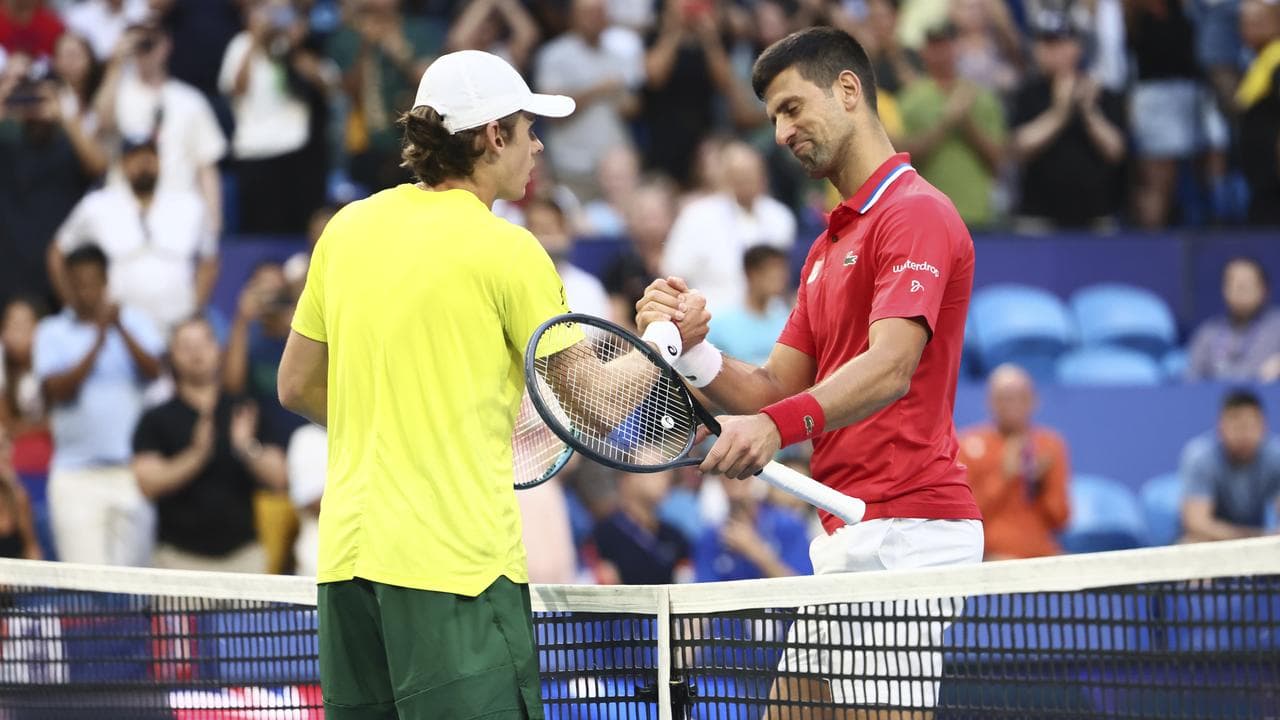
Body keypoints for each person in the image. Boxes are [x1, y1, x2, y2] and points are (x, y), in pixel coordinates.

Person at [636, 27, 983, 719]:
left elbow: (890, 367)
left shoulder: (915, 214)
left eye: (793, 108)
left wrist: (772, 427)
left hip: (907, 530)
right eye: (771, 117)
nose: (781, 130)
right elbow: (774, 387)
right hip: (846, 526)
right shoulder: (828, 245)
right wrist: (694, 348)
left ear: (849, 91)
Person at [277, 50, 574, 719]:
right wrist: (670, 345)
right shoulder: (510, 250)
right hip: (457, 571)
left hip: (348, 567)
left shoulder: (346, 228)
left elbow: (295, 385)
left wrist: (394, 423)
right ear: (494, 135)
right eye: (529, 128)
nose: (538, 144)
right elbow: (588, 404)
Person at [34, 244, 164, 566]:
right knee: (83, 586)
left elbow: (155, 371)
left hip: (131, 473)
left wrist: (119, 327)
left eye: (92, 282)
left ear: (106, 282)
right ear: (66, 282)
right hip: (75, 475)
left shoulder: (134, 322)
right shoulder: (51, 331)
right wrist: (99, 338)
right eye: (76, 282)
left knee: (136, 589)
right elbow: (58, 390)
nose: (84, 290)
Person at [132, 317, 287, 572]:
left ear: (218, 349)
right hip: (178, 560)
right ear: (171, 356)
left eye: (204, 343)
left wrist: (247, 447)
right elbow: (147, 483)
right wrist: (196, 454)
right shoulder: (156, 418)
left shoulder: (243, 410)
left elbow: (280, 478)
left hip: (243, 557)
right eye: (186, 346)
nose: (196, 353)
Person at [48, 137, 218, 335]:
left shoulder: (189, 204)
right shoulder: (98, 205)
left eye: (150, 156)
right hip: (120, 330)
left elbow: (209, 260)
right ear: (122, 164)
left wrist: (194, 310)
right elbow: (57, 252)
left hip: (178, 326)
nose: (144, 163)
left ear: (160, 161)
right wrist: (74, 306)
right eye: (135, 157)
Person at [1009, 17, 1127, 229]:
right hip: (1038, 217)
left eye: (1060, 44)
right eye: (1046, 44)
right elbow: (1019, 149)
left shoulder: (1101, 94)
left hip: (1096, 216)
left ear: (1078, 48)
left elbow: (1115, 151)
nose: (1052, 52)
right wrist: (1060, 111)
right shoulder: (1028, 93)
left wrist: (1089, 111)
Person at [661, 141, 796, 313]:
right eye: (738, 176)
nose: (745, 181)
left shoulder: (781, 217)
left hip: (769, 317)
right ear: (724, 177)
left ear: (763, 176)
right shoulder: (696, 216)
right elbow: (673, 269)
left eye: (751, 174)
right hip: (712, 315)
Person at [899, 21, 1006, 228]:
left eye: (945, 45)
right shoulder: (910, 100)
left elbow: (998, 161)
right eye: (934, 46)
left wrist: (967, 122)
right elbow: (901, 160)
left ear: (957, 48)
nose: (940, 52)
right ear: (924, 52)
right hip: (926, 214)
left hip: (976, 214)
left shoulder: (982, 97)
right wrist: (946, 122)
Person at [957, 364, 1070, 559]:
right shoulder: (967, 444)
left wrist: (1040, 484)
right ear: (990, 402)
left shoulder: (1050, 445)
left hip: (1042, 554)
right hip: (991, 557)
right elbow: (966, 516)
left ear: (1034, 400)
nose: (1012, 405)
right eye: (1004, 398)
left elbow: (1061, 519)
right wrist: (1004, 475)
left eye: (1020, 397)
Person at [1180, 389, 1280, 542]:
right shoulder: (1200, 456)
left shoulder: (1275, 456)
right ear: (1221, 427)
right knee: (1193, 540)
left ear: (1263, 426)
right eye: (1237, 426)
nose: (1244, 434)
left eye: (1250, 426)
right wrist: (1253, 537)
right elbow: (1197, 523)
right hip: (1214, 540)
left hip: (1256, 539)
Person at [693, 474, 812, 582]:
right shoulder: (711, 537)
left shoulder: (788, 525)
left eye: (743, 472)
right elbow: (705, 592)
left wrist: (755, 552)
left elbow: (804, 588)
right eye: (726, 474)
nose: (734, 478)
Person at [588, 469, 691, 584]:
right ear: (625, 478)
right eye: (654, 469)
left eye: (666, 471)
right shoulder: (603, 535)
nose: (665, 476)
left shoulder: (675, 536)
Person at [1186, 257, 1280, 383]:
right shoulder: (1208, 332)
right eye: (1233, 282)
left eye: (1247, 283)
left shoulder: (1276, 326)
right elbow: (1191, 381)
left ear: (1264, 289)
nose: (1239, 289)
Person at [706, 244, 792, 367]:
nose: (778, 277)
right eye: (770, 270)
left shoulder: (787, 320)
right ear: (751, 273)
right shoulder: (719, 323)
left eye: (781, 270)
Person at [525, 197, 610, 319]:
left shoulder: (589, 287)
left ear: (566, 232)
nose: (543, 239)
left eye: (549, 230)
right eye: (536, 229)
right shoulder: (509, 285)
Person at [0, 424, 41, 559]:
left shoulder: (19, 496)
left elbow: (32, 549)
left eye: (7, 444)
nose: (7, 452)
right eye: (1, 447)